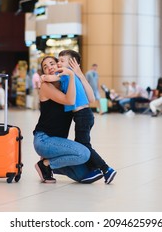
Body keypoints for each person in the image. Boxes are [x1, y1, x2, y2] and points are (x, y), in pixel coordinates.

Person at [42, 50, 117, 184]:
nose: (59, 64)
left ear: (72, 64)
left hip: (82, 115)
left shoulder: (66, 75)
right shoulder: (72, 76)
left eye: (61, 61)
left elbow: (49, 78)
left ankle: (106, 169)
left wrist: (44, 77)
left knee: (84, 145)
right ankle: (94, 168)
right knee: (82, 144)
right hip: (85, 115)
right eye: (58, 61)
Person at [33, 56, 99, 184]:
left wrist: (75, 74)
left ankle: (49, 161)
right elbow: (69, 100)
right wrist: (72, 75)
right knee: (83, 154)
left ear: (58, 65)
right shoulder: (46, 86)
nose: (49, 67)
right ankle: (45, 164)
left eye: (52, 63)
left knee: (84, 175)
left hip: (57, 142)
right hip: (44, 140)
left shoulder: (65, 84)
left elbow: (91, 99)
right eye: (45, 67)